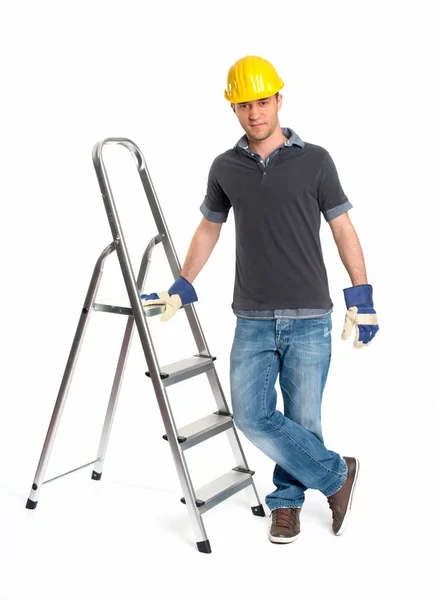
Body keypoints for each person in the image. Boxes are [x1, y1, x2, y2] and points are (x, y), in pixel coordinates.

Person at [141, 55, 379, 544]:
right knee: (251, 415)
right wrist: (184, 282)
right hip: (251, 315)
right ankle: (338, 475)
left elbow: (342, 226)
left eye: (263, 102)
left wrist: (362, 293)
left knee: (303, 419)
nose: (255, 113)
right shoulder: (225, 167)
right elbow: (210, 227)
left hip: (311, 314)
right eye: (244, 104)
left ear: (279, 100)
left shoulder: (315, 160)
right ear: (233, 108)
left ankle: (286, 504)